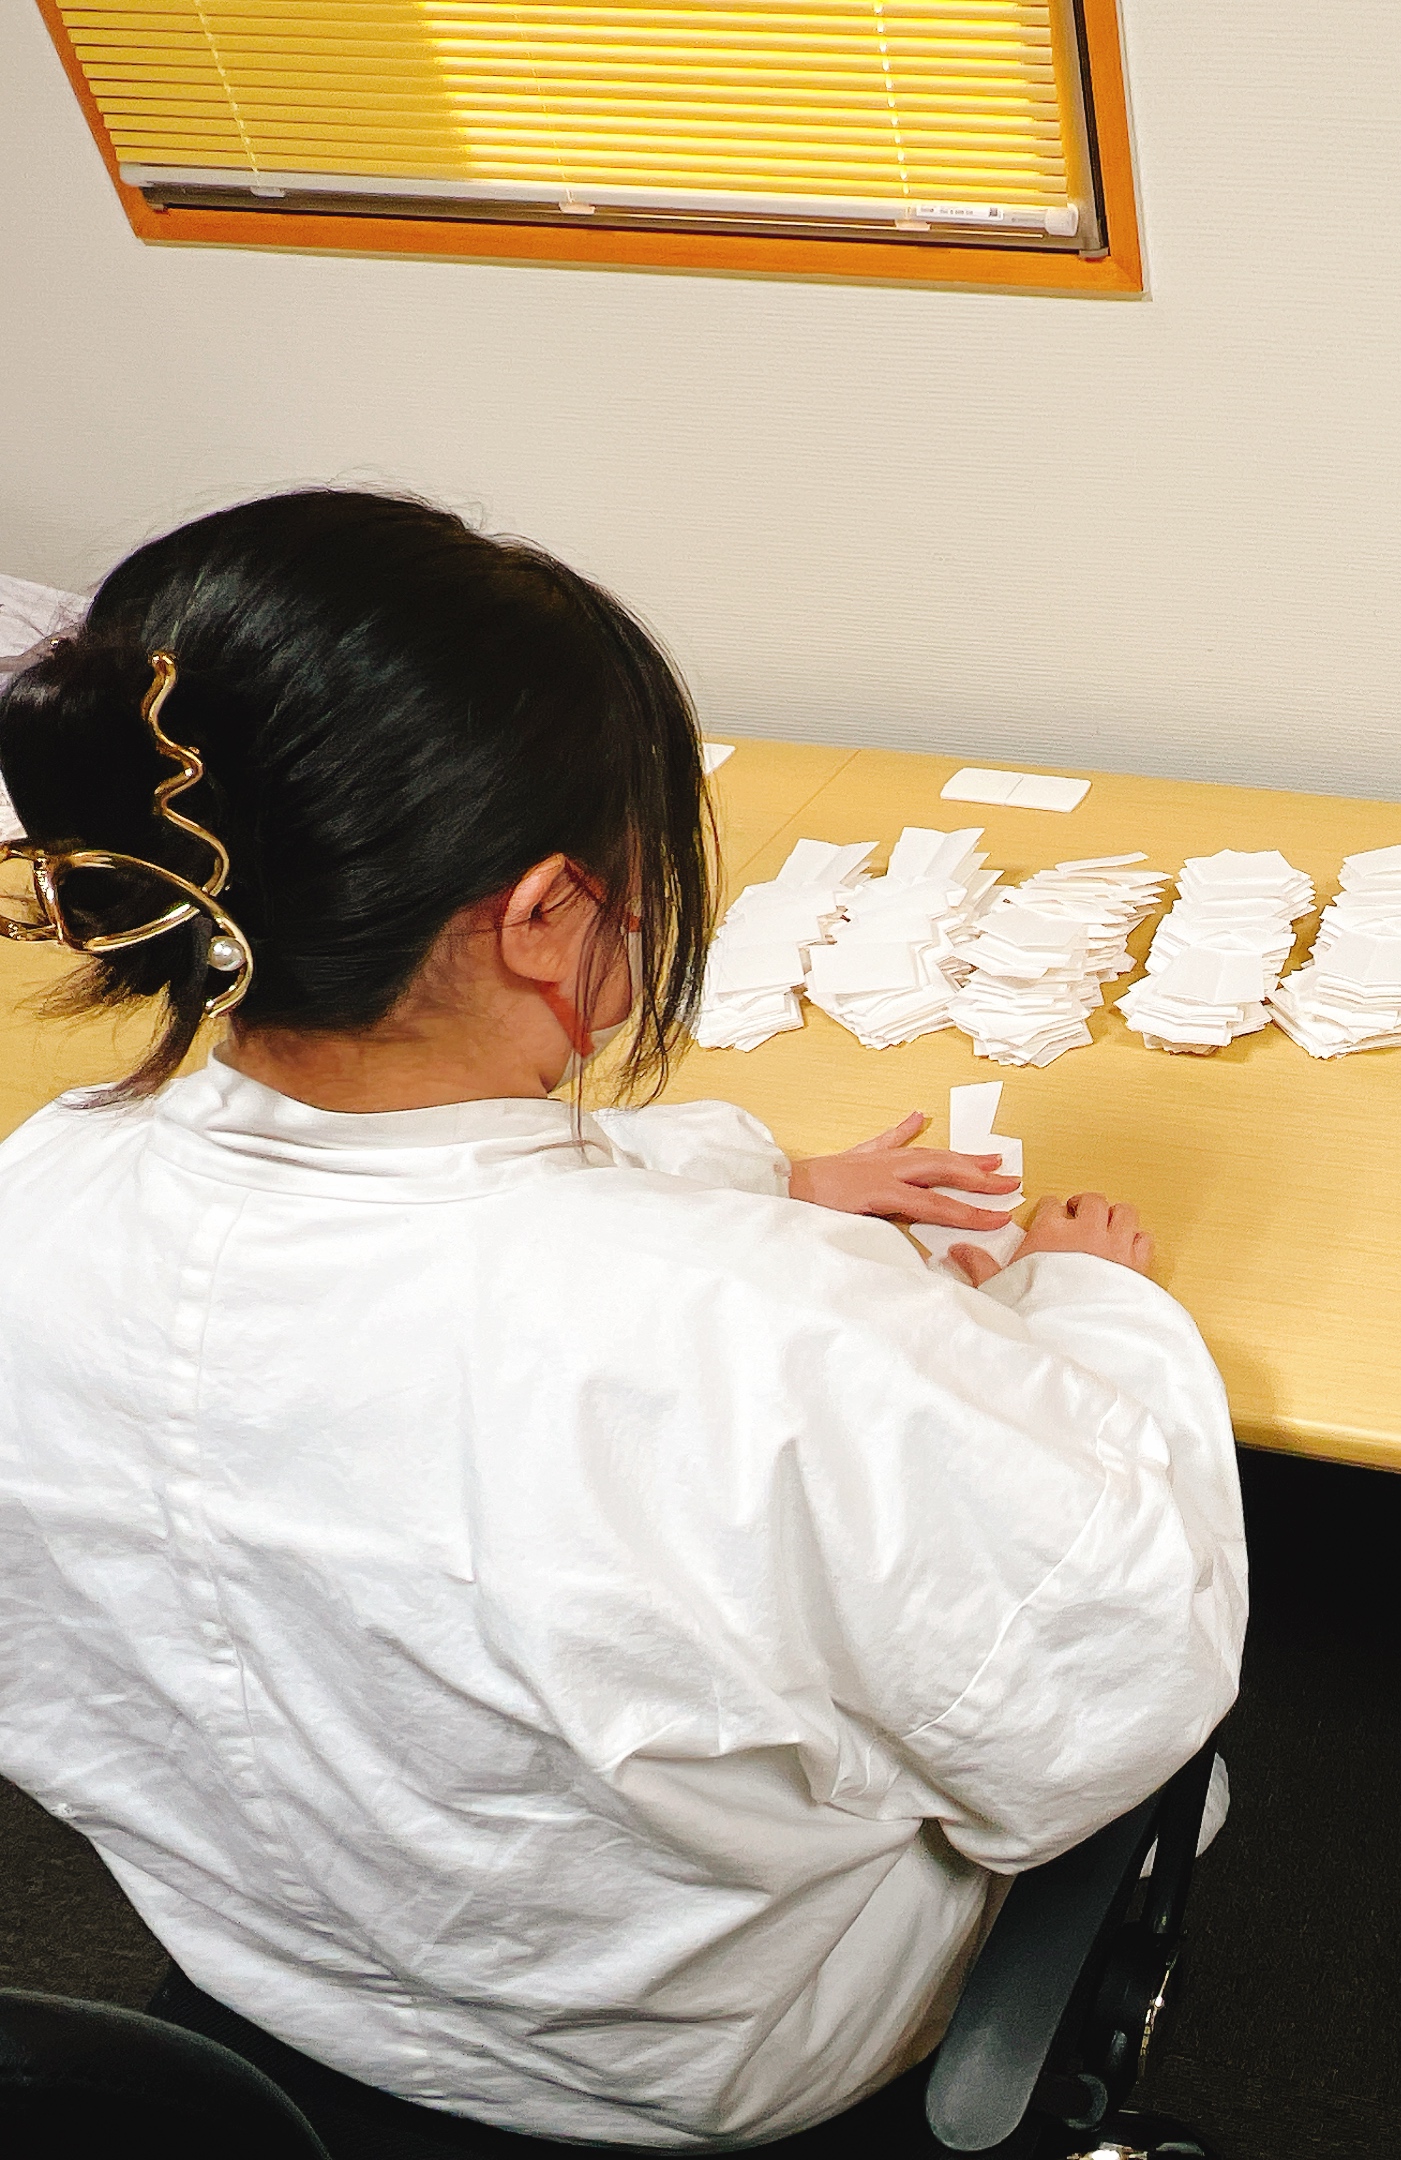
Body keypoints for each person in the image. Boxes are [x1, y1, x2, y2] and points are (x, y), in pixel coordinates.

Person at [0, 491, 1248, 2149]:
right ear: (540, 917)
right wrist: (1095, 1311)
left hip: (272, 1967)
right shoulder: (761, 1338)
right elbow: (1114, 1699)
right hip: (686, 2064)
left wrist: (754, 1177)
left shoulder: (39, 1194)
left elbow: (416, 1218)